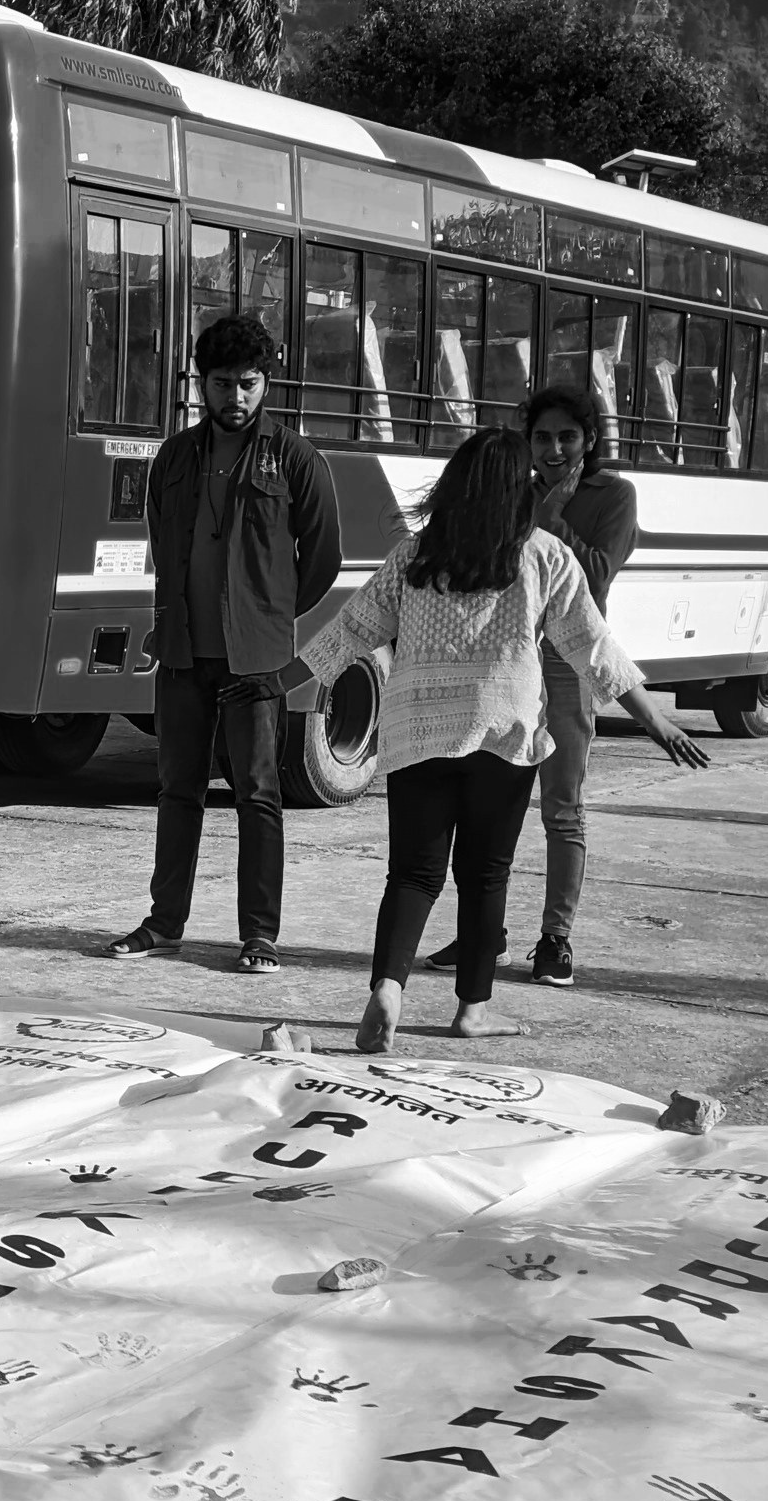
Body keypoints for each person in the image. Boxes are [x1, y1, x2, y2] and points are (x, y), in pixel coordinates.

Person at [292, 428, 705, 1050]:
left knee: (411, 875)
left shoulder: (416, 556)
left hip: (416, 734)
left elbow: (351, 631)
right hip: (503, 735)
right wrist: (656, 720)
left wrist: (272, 681)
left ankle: (388, 988)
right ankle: (471, 1010)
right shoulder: (542, 555)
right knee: (485, 875)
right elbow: (593, 648)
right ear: (520, 489)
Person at [107, 308, 341, 973]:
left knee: (259, 794)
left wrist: (267, 619)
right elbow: (162, 538)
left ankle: (259, 935)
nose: (233, 397)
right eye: (220, 383)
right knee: (178, 790)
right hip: (182, 655)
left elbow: (323, 557)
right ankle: (163, 924)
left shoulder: (295, 458)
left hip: (256, 663)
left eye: (247, 383)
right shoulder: (176, 456)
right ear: (200, 385)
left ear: (266, 383)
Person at [427, 384, 639, 986]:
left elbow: (595, 577)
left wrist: (548, 519)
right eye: (541, 437)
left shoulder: (614, 496)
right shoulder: (513, 488)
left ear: (589, 440)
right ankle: (484, 935)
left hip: (569, 669)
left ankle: (555, 939)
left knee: (562, 812)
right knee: (490, 806)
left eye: (566, 437)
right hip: (508, 665)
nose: (552, 449)